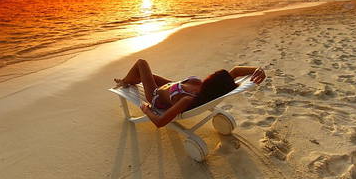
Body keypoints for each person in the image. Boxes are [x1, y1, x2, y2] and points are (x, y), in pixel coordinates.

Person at [114, 59, 266, 128]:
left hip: (156, 96)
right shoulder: (215, 89)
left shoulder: (187, 100)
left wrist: (146, 110)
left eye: (211, 75)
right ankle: (128, 80)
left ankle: (125, 82)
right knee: (142, 75)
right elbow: (237, 70)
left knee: (141, 63)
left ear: (211, 81)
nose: (209, 75)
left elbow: (160, 122)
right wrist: (258, 70)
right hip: (173, 85)